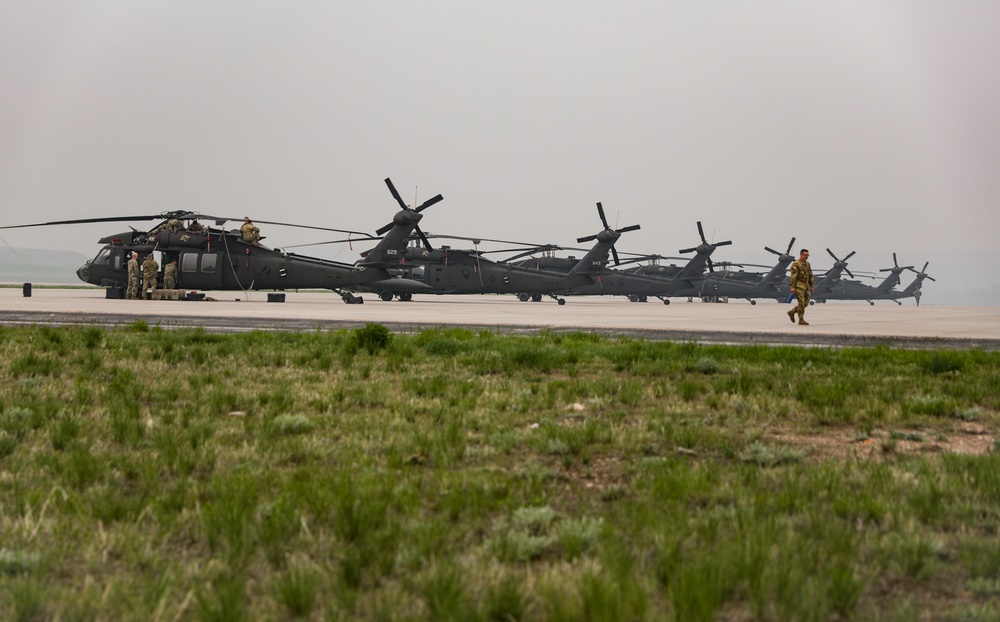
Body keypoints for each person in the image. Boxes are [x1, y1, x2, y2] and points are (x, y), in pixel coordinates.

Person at [787, 248, 814, 325]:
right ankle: (801, 319)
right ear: (801, 255)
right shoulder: (796, 264)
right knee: (801, 303)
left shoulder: (807, 264)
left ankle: (792, 312)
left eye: (807, 255)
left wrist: (811, 285)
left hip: (806, 286)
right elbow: (793, 276)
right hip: (799, 286)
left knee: (806, 303)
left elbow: (810, 275)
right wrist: (792, 287)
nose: (806, 257)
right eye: (805, 255)